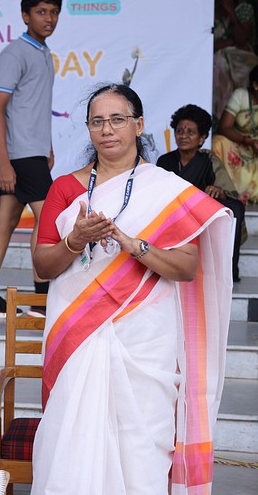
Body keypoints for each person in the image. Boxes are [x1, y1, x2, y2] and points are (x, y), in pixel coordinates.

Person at [31, 84, 232, 494]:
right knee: (73, 442)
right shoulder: (65, 188)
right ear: (88, 128)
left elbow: (187, 267)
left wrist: (133, 245)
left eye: (117, 119)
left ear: (138, 125)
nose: (107, 129)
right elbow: (42, 265)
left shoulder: (167, 190)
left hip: (147, 342)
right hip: (78, 336)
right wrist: (75, 240)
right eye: (97, 121)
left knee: (141, 448)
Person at [0, 0, 61, 319]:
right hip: (21, 154)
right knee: (48, 219)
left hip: (34, 151)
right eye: (41, 12)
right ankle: (41, 299)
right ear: (25, 16)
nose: (48, 18)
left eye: (54, 12)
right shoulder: (14, 53)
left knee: (6, 221)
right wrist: (4, 163)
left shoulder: (44, 53)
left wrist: (48, 146)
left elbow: (35, 107)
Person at [157, 103, 246, 282]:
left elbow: (228, 192)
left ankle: (229, 271)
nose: (183, 136)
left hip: (202, 214)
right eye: (179, 131)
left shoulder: (208, 160)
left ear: (202, 138)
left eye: (190, 132)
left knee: (235, 208)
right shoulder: (165, 161)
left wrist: (218, 191)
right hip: (174, 211)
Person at [212, 64, 258, 203]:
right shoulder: (241, 95)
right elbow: (224, 128)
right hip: (241, 142)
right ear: (256, 85)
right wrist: (248, 141)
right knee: (218, 141)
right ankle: (226, 189)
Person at [213, 0, 258, 123]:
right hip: (217, 59)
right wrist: (229, 42)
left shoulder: (243, 9)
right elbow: (206, 44)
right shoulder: (206, 11)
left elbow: (242, 39)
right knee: (219, 66)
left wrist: (231, 12)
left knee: (248, 74)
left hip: (241, 57)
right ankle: (222, 121)